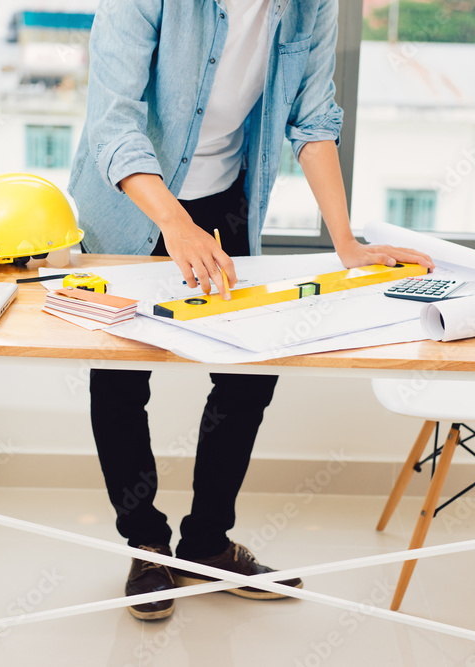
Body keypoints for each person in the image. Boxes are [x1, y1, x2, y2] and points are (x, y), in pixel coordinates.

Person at [68, 0, 434, 621]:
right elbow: (114, 123)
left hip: (226, 200)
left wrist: (347, 245)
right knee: (121, 376)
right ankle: (147, 543)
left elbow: (313, 119)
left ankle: (207, 543)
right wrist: (176, 226)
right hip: (133, 204)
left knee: (249, 374)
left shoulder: (310, 6)